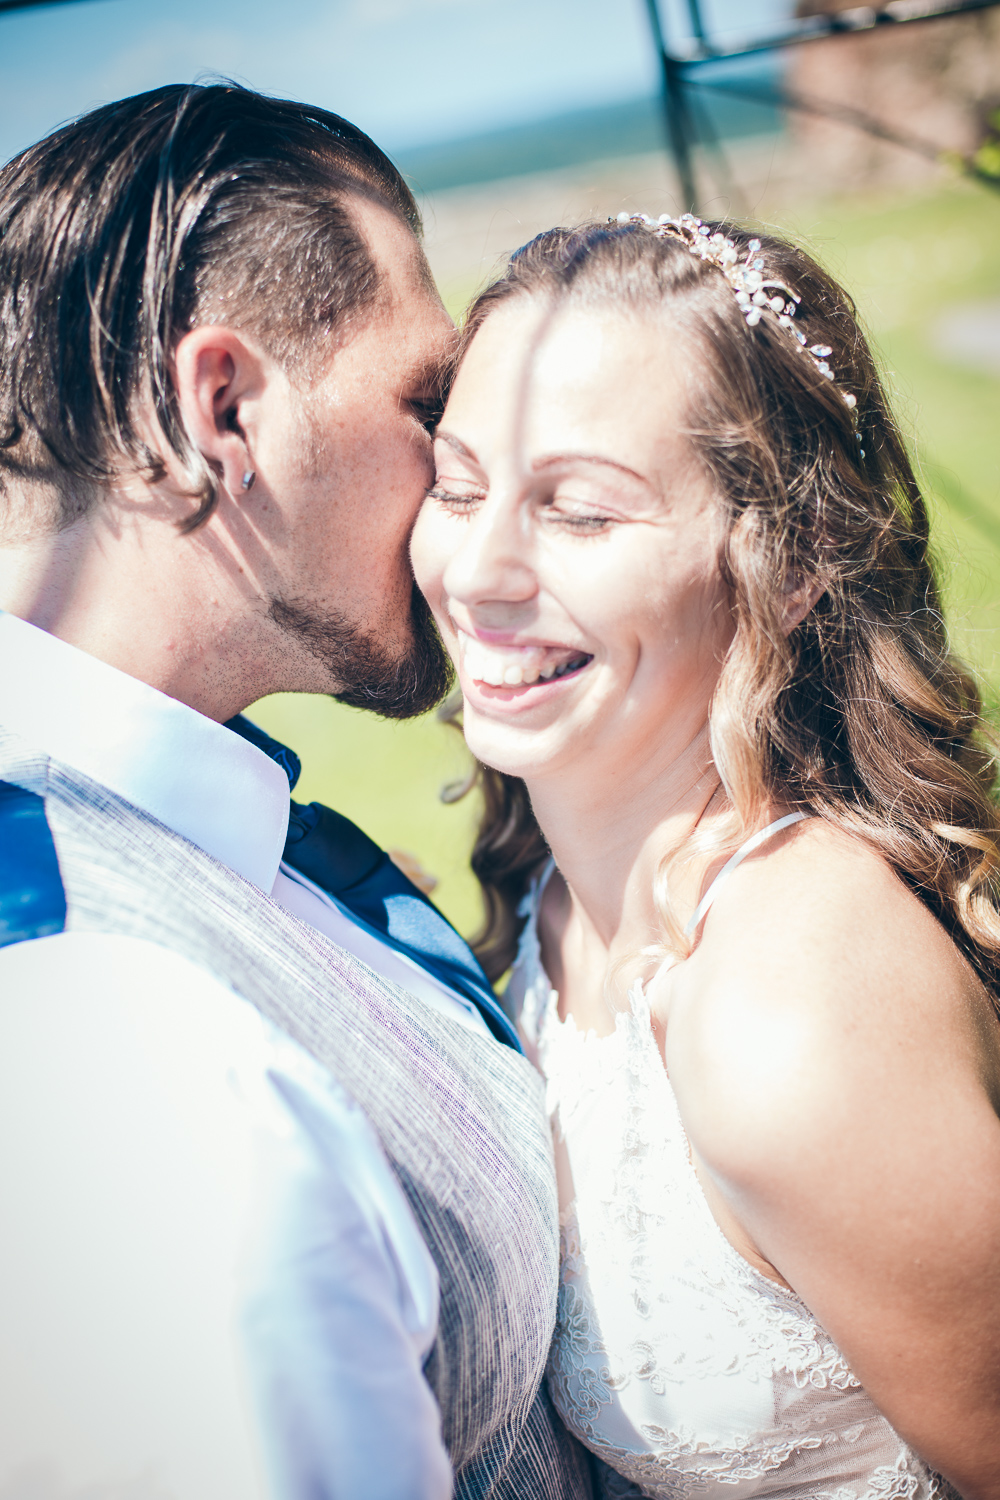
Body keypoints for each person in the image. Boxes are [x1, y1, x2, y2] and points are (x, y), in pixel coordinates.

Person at [0, 85, 595, 1500]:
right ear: (225, 410)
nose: (467, 475)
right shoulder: (109, 1044)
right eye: (427, 402)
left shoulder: (194, 837)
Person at [411, 213, 1000, 1499]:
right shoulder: (547, 886)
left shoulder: (785, 1017)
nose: (478, 569)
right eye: (456, 487)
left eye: (577, 511)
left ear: (788, 568)